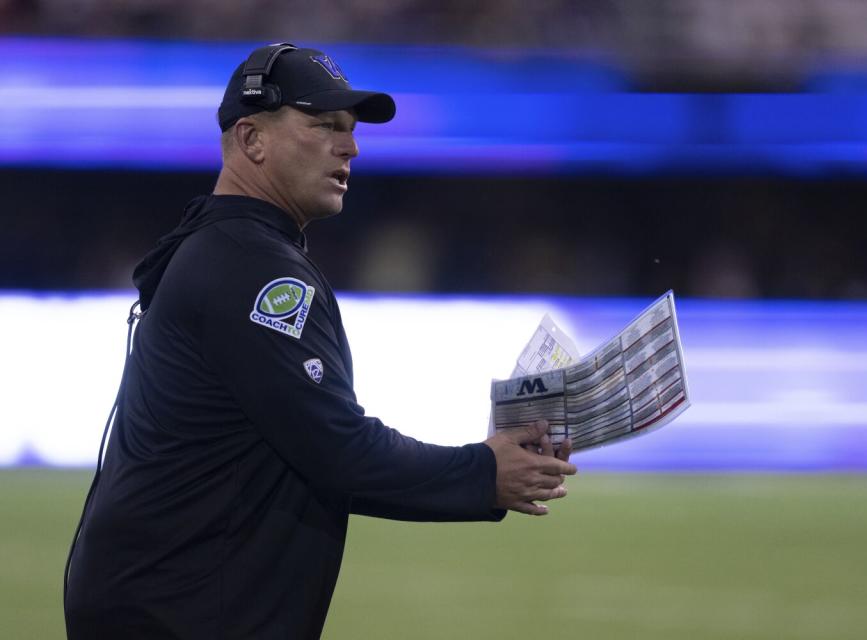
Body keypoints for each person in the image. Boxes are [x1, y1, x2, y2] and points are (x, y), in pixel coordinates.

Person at [63, 43, 576, 639]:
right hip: (183, 615)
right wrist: (484, 474)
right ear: (252, 140)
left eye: (351, 130)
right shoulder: (254, 269)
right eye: (324, 125)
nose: (350, 146)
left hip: (164, 603)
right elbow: (337, 450)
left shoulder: (225, 247)